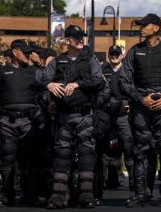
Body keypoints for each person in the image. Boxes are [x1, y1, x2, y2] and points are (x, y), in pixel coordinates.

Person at [119, 14, 161, 208]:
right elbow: (124, 81)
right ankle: (141, 193)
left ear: (156, 28)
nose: (141, 28)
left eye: (145, 25)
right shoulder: (135, 51)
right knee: (140, 151)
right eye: (140, 25)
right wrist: (141, 99)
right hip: (142, 108)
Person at [43, 25, 104, 209]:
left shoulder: (90, 59)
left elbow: (98, 81)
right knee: (61, 157)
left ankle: (86, 196)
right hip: (64, 116)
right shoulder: (58, 61)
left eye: (82, 37)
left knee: (86, 155)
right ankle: (58, 197)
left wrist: (77, 84)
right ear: (68, 40)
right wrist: (50, 86)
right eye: (77, 38)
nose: (81, 40)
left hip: (84, 114)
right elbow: (41, 79)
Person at [0, 39, 46, 208]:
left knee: (29, 161)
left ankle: (30, 196)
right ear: (14, 52)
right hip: (6, 122)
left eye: (28, 52)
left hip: (29, 122)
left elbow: (46, 93)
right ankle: (7, 196)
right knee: (7, 160)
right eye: (24, 52)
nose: (27, 55)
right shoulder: (1, 72)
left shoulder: (35, 72)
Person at [100, 45, 132, 193]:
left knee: (128, 146)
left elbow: (134, 90)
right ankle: (111, 181)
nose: (114, 56)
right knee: (108, 148)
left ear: (121, 55)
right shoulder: (102, 70)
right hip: (107, 114)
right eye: (111, 54)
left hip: (123, 114)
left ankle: (133, 181)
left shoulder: (127, 70)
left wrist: (131, 105)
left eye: (116, 54)